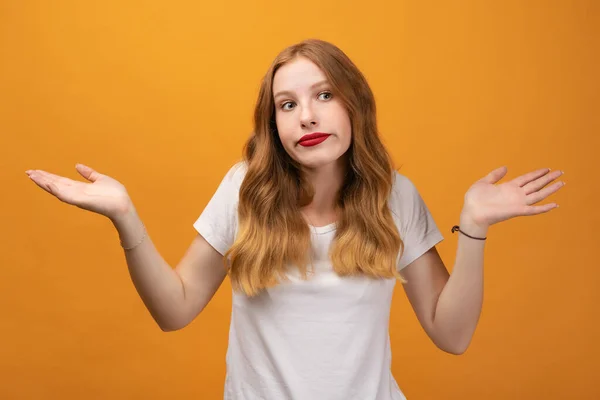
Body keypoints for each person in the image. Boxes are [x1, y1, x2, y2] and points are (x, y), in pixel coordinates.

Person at [26, 39, 565, 400]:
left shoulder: (393, 196)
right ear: (274, 124)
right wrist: (125, 217)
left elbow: (451, 335)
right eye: (287, 104)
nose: (306, 114)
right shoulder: (245, 189)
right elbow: (175, 310)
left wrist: (473, 226)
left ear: (355, 105)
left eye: (324, 95)